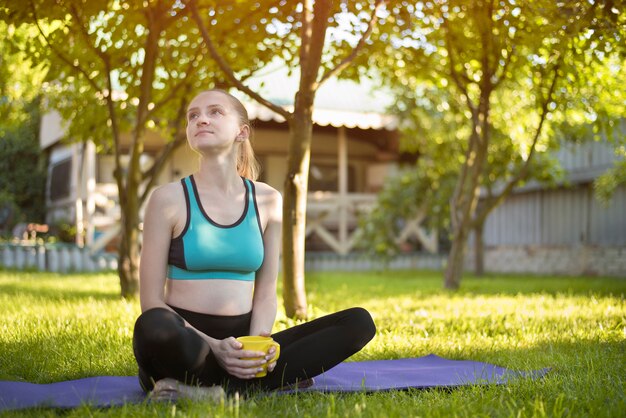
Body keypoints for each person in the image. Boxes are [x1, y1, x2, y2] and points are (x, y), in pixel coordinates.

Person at [132, 89, 376, 400]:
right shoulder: (167, 199)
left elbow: (265, 292)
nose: (201, 119)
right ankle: (258, 384)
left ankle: (218, 390)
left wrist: (258, 346)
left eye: (215, 112)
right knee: (151, 324)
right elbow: (151, 301)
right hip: (188, 345)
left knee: (357, 322)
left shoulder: (267, 200)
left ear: (241, 132)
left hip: (242, 342)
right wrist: (215, 348)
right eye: (193, 115)